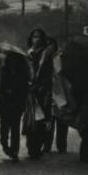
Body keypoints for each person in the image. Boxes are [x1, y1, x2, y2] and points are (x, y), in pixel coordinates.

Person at [0, 49, 29, 161]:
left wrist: (14, 90)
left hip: (16, 103)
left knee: (15, 128)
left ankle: (14, 150)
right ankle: (5, 146)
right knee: (4, 128)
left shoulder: (22, 71)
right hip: (4, 103)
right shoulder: (1, 70)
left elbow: (25, 88)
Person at [24, 28, 55, 159]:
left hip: (42, 91)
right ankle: (31, 146)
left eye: (38, 37)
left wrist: (42, 86)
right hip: (31, 91)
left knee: (41, 119)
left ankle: (38, 146)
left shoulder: (46, 54)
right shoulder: (28, 53)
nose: (35, 39)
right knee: (30, 119)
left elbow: (49, 73)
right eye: (33, 37)